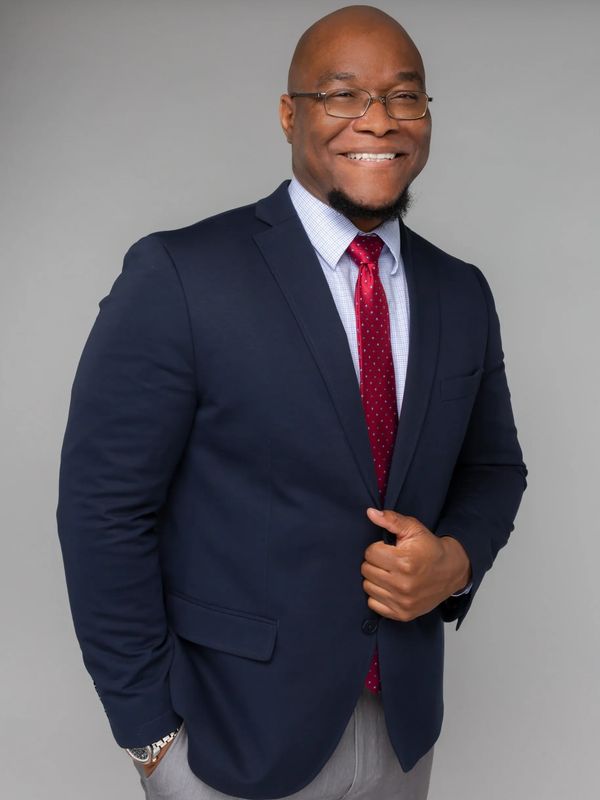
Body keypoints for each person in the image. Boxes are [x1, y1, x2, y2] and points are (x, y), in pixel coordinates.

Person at [56, 5, 527, 799]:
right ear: (290, 114)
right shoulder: (181, 277)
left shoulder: (461, 292)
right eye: (343, 95)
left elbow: (493, 467)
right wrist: (151, 737)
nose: (377, 121)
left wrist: (455, 563)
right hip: (227, 739)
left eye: (404, 96)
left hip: (405, 732)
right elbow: (102, 511)